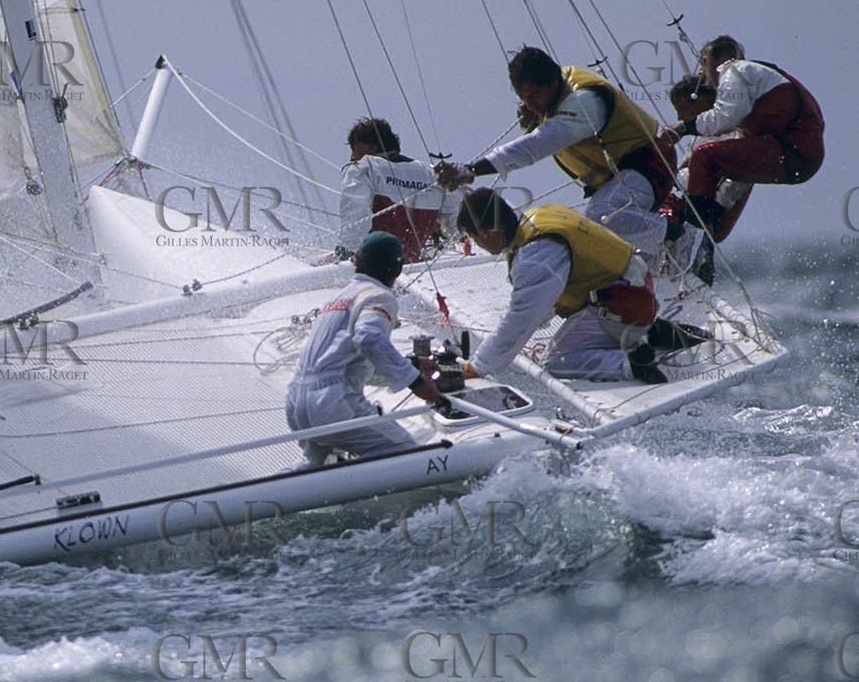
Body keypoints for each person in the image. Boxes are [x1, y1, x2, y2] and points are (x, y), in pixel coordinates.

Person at [435, 46, 675, 258]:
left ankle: (677, 237)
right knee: (600, 225)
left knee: (602, 215)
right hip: (622, 176)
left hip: (649, 164)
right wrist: (539, 113)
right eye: (523, 98)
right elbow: (545, 125)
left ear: (552, 81)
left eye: (534, 95)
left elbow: (537, 145)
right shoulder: (556, 96)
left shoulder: (584, 101)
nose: (530, 104)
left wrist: (473, 169)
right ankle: (658, 250)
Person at [452, 189, 672, 385]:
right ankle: (648, 332)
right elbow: (542, 301)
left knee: (554, 362)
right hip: (632, 291)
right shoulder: (539, 217)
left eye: (473, 238)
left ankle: (633, 362)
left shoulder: (536, 254)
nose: (477, 244)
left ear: (484, 232)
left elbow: (522, 318)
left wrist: (479, 366)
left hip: (622, 303)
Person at [286, 231, 444, 465]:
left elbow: (347, 361)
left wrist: (413, 363)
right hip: (332, 403)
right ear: (397, 270)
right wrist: (416, 382)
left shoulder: (337, 299)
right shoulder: (378, 296)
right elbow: (369, 339)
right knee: (404, 451)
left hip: (296, 403)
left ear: (357, 262)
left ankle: (258, 499)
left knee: (313, 467)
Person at [660, 35, 823, 242]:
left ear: (724, 59)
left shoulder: (736, 70)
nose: (701, 73)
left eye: (704, 63)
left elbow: (724, 118)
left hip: (792, 151)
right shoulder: (754, 90)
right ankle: (700, 236)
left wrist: (682, 129)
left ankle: (693, 237)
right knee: (708, 161)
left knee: (704, 157)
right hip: (799, 160)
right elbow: (736, 167)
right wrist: (713, 209)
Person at [659, 74, 753, 284]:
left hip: (704, 214)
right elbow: (684, 170)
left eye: (682, 109)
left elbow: (736, 180)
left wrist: (716, 211)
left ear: (701, 101)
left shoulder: (731, 132)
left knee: (694, 275)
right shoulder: (702, 133)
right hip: (686, 209)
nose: (680, 117)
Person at [339, 117, 459, 262]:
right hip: (410, 267)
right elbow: (456, 223)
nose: (352, 156)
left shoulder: (363, 168)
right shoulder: (434, 174)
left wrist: (346, 252)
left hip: (372, 265)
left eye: (354, 148)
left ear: (371, 147)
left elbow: (356, 214)